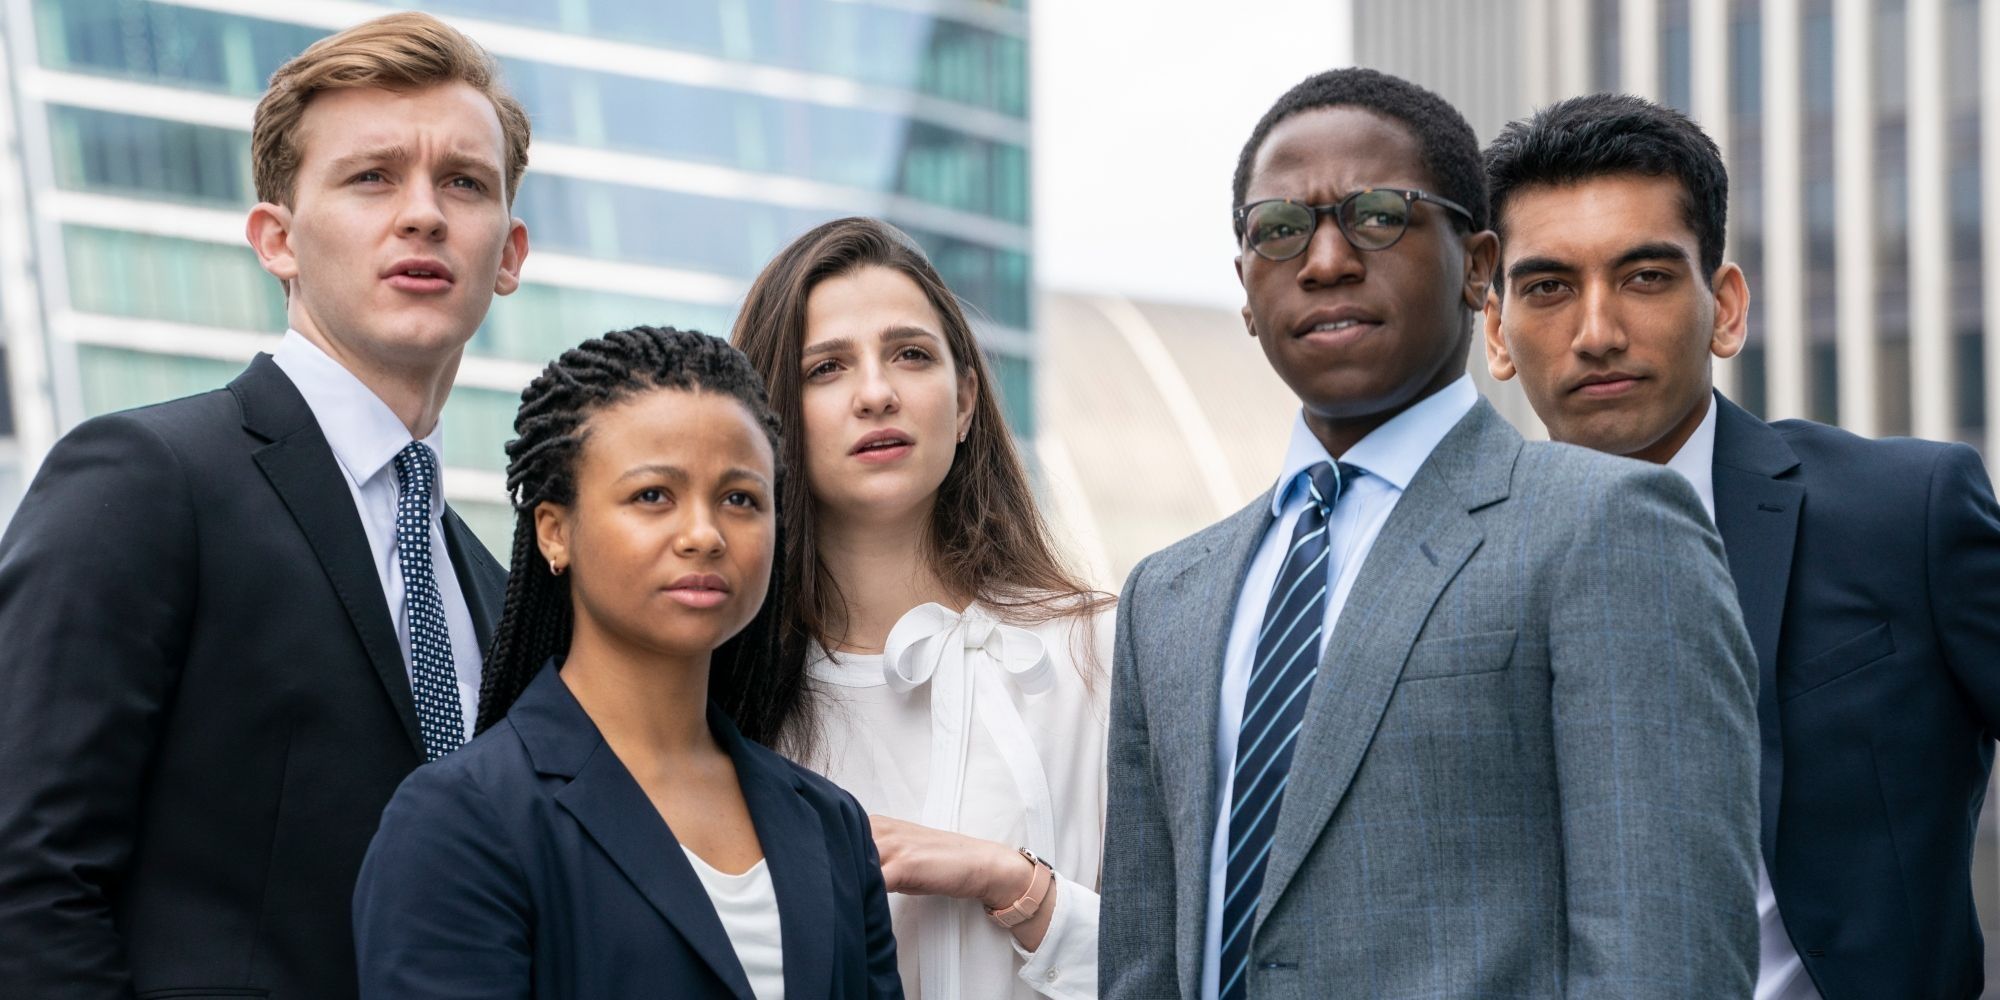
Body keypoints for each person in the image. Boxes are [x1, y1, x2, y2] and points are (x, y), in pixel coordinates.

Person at [1099, 68, 1763, 1000]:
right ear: (1247, 292)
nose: (1325, 260)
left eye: (1378, 215)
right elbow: (1141, 968)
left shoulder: (1607, 527)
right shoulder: (1165, 596)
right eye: (1281, 230)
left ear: (1481, 269)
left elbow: (1667, 957)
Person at [0, 13, 527, 999]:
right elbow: (25, 877)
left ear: (509, 253)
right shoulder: (143, 481)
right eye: (371, 177)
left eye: (464, 181)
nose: (423, 213)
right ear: (276, 239)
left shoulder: (497, 596)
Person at [1482, 92, 2000, 1000]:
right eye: (1549, 287)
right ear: (1497, 330)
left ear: (1724, 307)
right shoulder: (1449, 574)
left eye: (1644, 277)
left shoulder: (1905, 515)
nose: (1597, 333)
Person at [353, 325, 902, 999]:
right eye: (653, 496)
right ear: (555, 530)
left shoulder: (830, 824)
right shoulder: (460, 822)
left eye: (740, 499)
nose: (704, 534)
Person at [729, 216, 1111, 999]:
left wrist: (1016, 885)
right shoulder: (721, 692)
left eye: (910, 354)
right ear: (767, 421)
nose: (877, 393)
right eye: (827, 368)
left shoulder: (1094, 651)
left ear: (965, 399)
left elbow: (1189, 958)